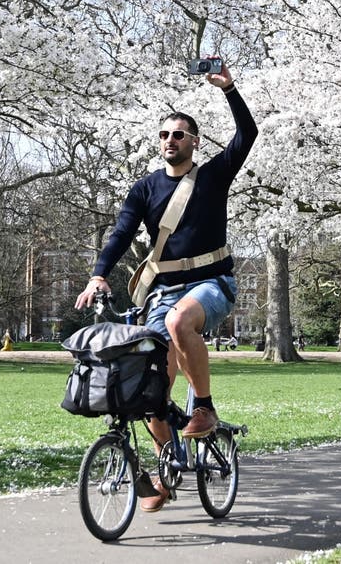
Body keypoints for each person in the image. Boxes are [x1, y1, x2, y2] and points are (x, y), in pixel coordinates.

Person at [75, 60, 257, 513]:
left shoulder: (213, 177)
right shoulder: (144, 188)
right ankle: (167, 463)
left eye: (178, 134)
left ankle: (205, 408)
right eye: (163, 135)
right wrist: (99, 272)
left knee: (180, 323)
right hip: (162, 290)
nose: (169, 140)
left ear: (193, 142)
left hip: (211, 283)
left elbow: (247, 136)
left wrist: (229, 89)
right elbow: (119, 233)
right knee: (148, 387)